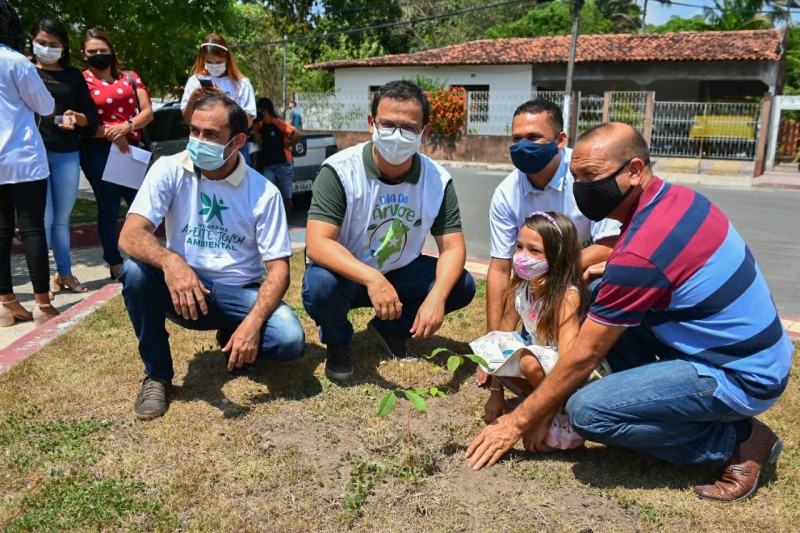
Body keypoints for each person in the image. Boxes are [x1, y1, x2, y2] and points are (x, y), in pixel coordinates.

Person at [466, 122, 794, 504]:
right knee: (599, 291)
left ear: (635, 170)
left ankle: (739, 441)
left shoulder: (641, 253)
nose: (581, 188)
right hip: (737, 348)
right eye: (576, 177)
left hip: (739, 373)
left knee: (589, 412)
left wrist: (517, 421)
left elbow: (582, 356)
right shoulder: (679, 199)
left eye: (592, 176)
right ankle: (644, 402)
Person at [118, 94, 305, 420]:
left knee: (289, 339)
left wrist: (253, 322)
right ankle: (157, 375)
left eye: (210, 135)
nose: (198, 141)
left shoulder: (263, 192)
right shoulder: (168, 169)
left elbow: (279, 273)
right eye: (194, 131)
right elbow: (130, 235)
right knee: (135, 271)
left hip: (239, 293)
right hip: (183, 291)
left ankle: (235, 334)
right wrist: (171, 262)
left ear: (238, 141)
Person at [302, 80, 476, 382]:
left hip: (401, 273)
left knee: (460, 285)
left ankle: (390, 330)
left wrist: (436, 297)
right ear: (371, 123)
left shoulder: (437, 179)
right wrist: (372, 277)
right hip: (347, 274)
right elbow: (317, 244)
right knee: (321, 286)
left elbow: (453, 248)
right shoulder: (340, 170)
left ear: (424, 131)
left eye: (409, 128)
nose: (397, 135)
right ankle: (338, 341)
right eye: (388, 124)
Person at [485, 99, 620, 334]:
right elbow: (500, 267)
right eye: (517, 139)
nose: (523, 146)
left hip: (583, 270)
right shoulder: (506, 194)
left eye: (534, 137)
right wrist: (494, 338)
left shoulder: (588, 177)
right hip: (540, 279)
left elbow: (609, 245)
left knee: (604, 287)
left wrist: (552, 272)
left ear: (560, 140)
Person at [479, 211, 609, 450]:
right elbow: (502, 336)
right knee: (491, 347)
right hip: (544, 362)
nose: (522, 256)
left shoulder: (567, 295)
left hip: (574, 377)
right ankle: (538, 403)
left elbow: (569, 360)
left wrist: (541, 418)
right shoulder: (520, 288)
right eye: (519, 247)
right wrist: (495, 393)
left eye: (534, 251)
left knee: (528, 361)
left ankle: (550, 413)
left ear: (557, 255)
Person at [0, 1, 60, 327]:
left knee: (1, 231)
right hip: (22, 158)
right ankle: (42, 305)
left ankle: (6, 303)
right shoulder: (15, 62)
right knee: (33, 228)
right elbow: (46, 105)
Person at [78, 28, 153, 281]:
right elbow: (83, 122)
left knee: (140, 207)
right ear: (83, 54)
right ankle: (115, 262)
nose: (99, 55)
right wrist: (111, 132)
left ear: (112, 50)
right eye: (92, 52)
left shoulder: (130, 77)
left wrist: (127, 126)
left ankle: (145, 255)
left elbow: (147, 112)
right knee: (109, 209)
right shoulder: (81, 81)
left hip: (132, 150)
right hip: (98, 151)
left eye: (103, 50)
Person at [31, 18, 98, 294]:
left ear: (64, 47)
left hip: (67, 154)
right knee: (42, 219)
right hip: (34, 155)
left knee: (61, 219)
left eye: (54, 44)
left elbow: (91, 118)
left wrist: (77, 117)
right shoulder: (23, 69)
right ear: (32, 42)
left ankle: (65, 273)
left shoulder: (74, 76)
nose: (47, 48)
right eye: (42, 43)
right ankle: (42, 279)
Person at [180, 34, 256, 164]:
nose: (214, 66)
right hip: (203, 146)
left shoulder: (242, 84)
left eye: (218, 62)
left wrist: (225, 99)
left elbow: (247, 122)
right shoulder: (195, 81)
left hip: (233, 147)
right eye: (209, 62)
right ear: (203, 59)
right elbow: (187, 120)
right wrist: (194, 97)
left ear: (227, 59)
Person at [252, 97, 301, 213]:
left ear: (265, 110)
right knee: (266, 191)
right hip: (269, 165)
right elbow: (253, 131)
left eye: (258, 109)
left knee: (286, 196)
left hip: (283, 164)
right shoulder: (261, 125)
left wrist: (288, 144)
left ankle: (286, 219)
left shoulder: (278, 123)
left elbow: (297, 134)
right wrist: (255, 135)